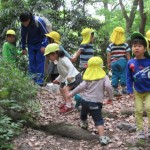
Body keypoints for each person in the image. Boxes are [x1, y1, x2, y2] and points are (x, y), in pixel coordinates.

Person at [68, 56, 113, 145]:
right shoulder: (104, 77)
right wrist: (110, 98)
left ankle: (83, 123)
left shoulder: (87, 78)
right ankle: (102, 138)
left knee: (83, 113)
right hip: (95, 103)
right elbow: (108, 86)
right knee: (98, 120)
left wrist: (71, 94)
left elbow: (80, 87)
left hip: (84, 101)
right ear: (101, 67)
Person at [44, 43, 82, 113]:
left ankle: (69, 106)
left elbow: (71, 67)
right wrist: (57, 80)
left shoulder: (64, 59)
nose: (49, 58)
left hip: (75, 76)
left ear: (54, 54)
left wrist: (70, 76)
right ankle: (67, 102)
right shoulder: (58, 61)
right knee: (61, 88)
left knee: (65, 89)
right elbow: (62, 74)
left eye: (49, 56)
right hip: (68, 78)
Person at [126, 32, 150, 139]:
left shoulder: (149, 61)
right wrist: (130, 90)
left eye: (139, 46)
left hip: (149, 90)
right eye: (134, 46)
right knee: (138, 110)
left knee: (149, 108)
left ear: (145, 49)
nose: (136, 48)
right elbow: (128, 77)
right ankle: (140, 130)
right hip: (137, 91)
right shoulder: (130, 62)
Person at [19, 11, 49, 86]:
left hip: (40, 44)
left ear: (29, 20)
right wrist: (23, 48)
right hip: (31, 44)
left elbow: (46, 35)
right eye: (23, 23)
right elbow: (23, 36)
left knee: (39, 61)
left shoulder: (38, 21)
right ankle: (32, 79)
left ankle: (39, 81)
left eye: (25, 22)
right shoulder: (23, 25)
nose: (24, 24)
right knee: (32, 61)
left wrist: (43, 45)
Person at [106, 27, 131, 96]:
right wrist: (129, 62)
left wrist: (108, 63)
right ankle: (124, 89)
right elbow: (128, 53)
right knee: (123, 74)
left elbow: (108, 54)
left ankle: (115, 90)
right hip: (123, 61)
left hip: (113, 62)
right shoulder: (125, 45)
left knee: (115, 75)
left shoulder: (111, 45)